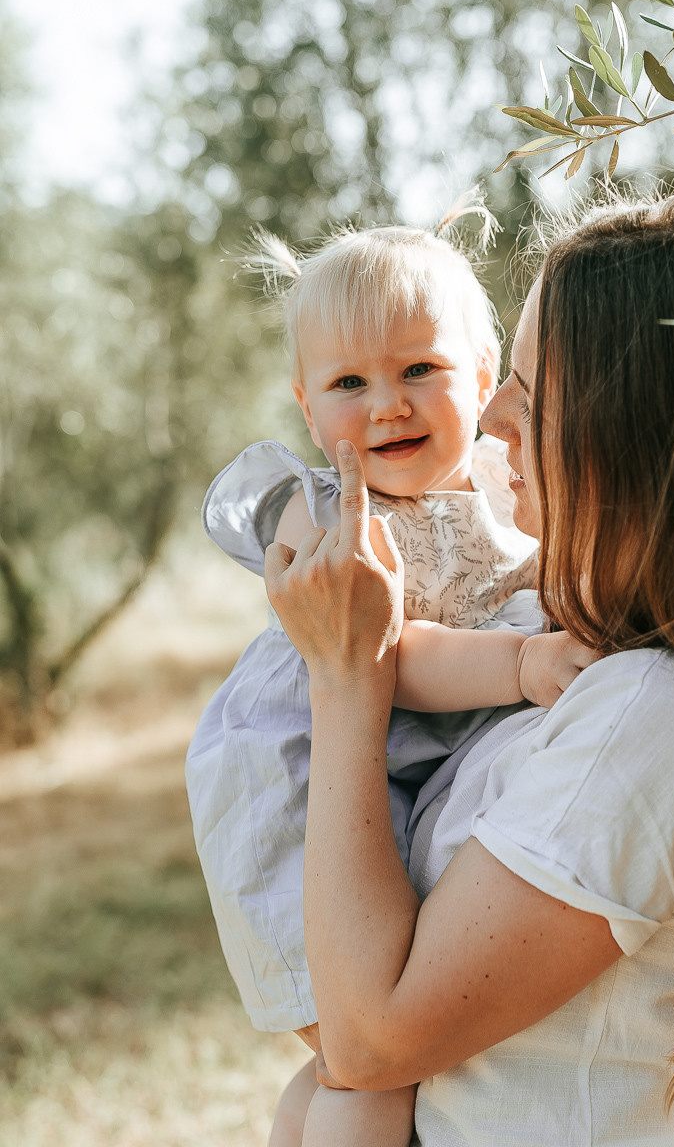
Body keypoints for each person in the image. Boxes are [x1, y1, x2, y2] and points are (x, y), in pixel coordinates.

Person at [265, 191, 674, 1144]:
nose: (495, 419)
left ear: (631, 430)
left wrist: (351, 675)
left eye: (524, 385)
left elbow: (369, 1045)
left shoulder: (649, 712)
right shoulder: (588, 647)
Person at [185, 218, 598, 1147]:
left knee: (343, 1069)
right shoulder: (326, 513)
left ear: (487, 378)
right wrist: (524, 662)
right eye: (347, 384)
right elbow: (383, 655)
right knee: (372, 1073)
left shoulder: (504, 484)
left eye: (419, 371)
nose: (387, 407)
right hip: (293, 782)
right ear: (305, 406)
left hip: (388, 766)